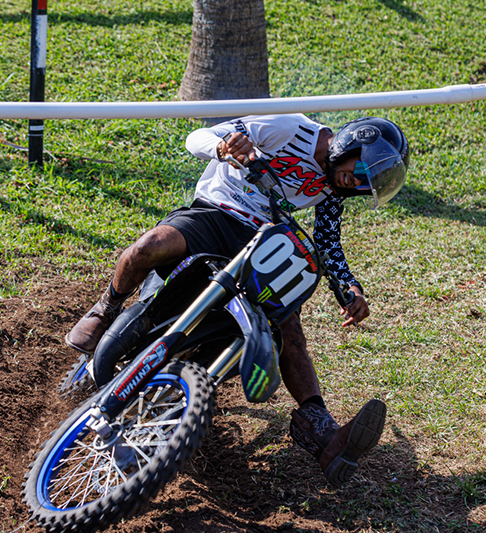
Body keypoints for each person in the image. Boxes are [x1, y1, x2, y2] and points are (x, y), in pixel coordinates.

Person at [65, 114, 409, 486]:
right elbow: (196, 137)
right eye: (361, 173)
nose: (357, 185)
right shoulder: (292, 129)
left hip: (262, 241)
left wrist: (350, 287)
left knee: (288, 332)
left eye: (367, 184)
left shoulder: (332, 187)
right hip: (215, 213)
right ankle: (107, 308)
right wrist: (222, 147)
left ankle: (323, 432)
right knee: (149, 246)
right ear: (352, 145)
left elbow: (327, 240)